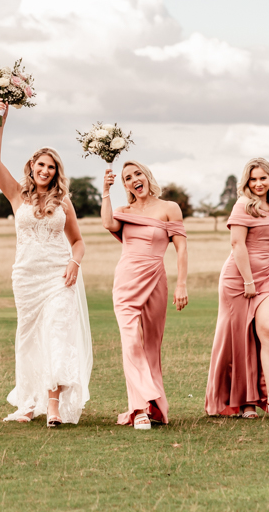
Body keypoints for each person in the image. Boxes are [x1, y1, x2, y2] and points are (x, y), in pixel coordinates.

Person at [0, 99, 93, 426]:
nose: (45, 171)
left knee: (57, 335)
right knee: (30, 337)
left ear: (56, 172)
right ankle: (28, 402)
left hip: (59, 276)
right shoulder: (17, 195)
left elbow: (78, 242)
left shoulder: (63, 203)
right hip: (27, 277)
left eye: (51, 167)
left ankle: (54, 406)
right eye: (41, 165)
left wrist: (75, 263)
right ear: (32, 167)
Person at [204, 157, 269, 419]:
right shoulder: (242, 206)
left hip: (268, 277)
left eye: (263, 178)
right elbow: (237, 245)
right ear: (247, 181)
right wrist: (248, 281)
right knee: (239, 341)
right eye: (253, 179)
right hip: (239, 279)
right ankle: (243, 402)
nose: (258, 183)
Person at [102, 160, 188, 430]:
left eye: (137, 173)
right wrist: (105, 190)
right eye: (128, 178)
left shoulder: (169, 208)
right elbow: (108, 223)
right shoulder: (123, 211)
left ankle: (154, 408)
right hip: (126, 279)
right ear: (125, 185)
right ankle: (138, 409)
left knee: (151, 344)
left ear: (147, 176)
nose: (134, 179)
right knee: (130, 342)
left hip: (156, 279)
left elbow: (181, 249)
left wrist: (181, 284)